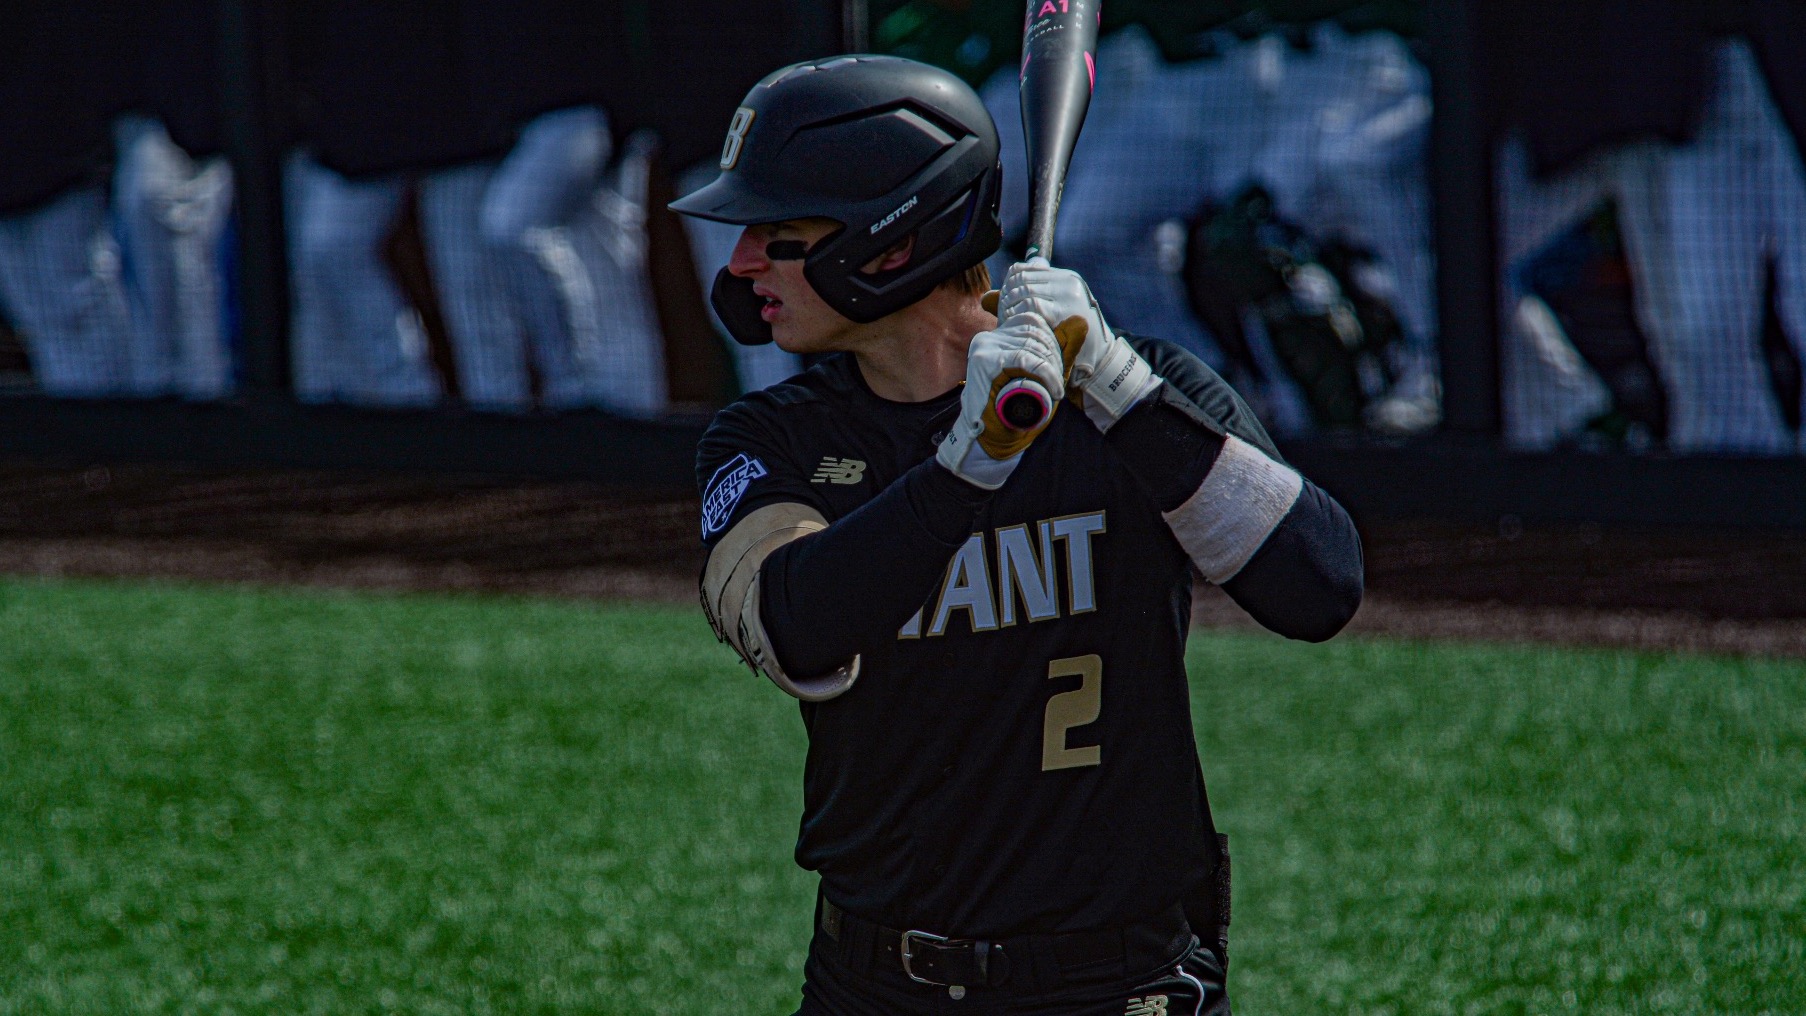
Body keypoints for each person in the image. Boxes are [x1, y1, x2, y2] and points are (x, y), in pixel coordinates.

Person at [675, 55, 1363, 1015]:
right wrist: (966, 467)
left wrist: (1121, 391)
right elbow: (793, 624)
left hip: (1124, 982)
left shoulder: (1136, 396)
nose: (742, 264)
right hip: (876, 985)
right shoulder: (768, 438)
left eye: (777, 235)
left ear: (887, 246)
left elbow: (1320, 586)